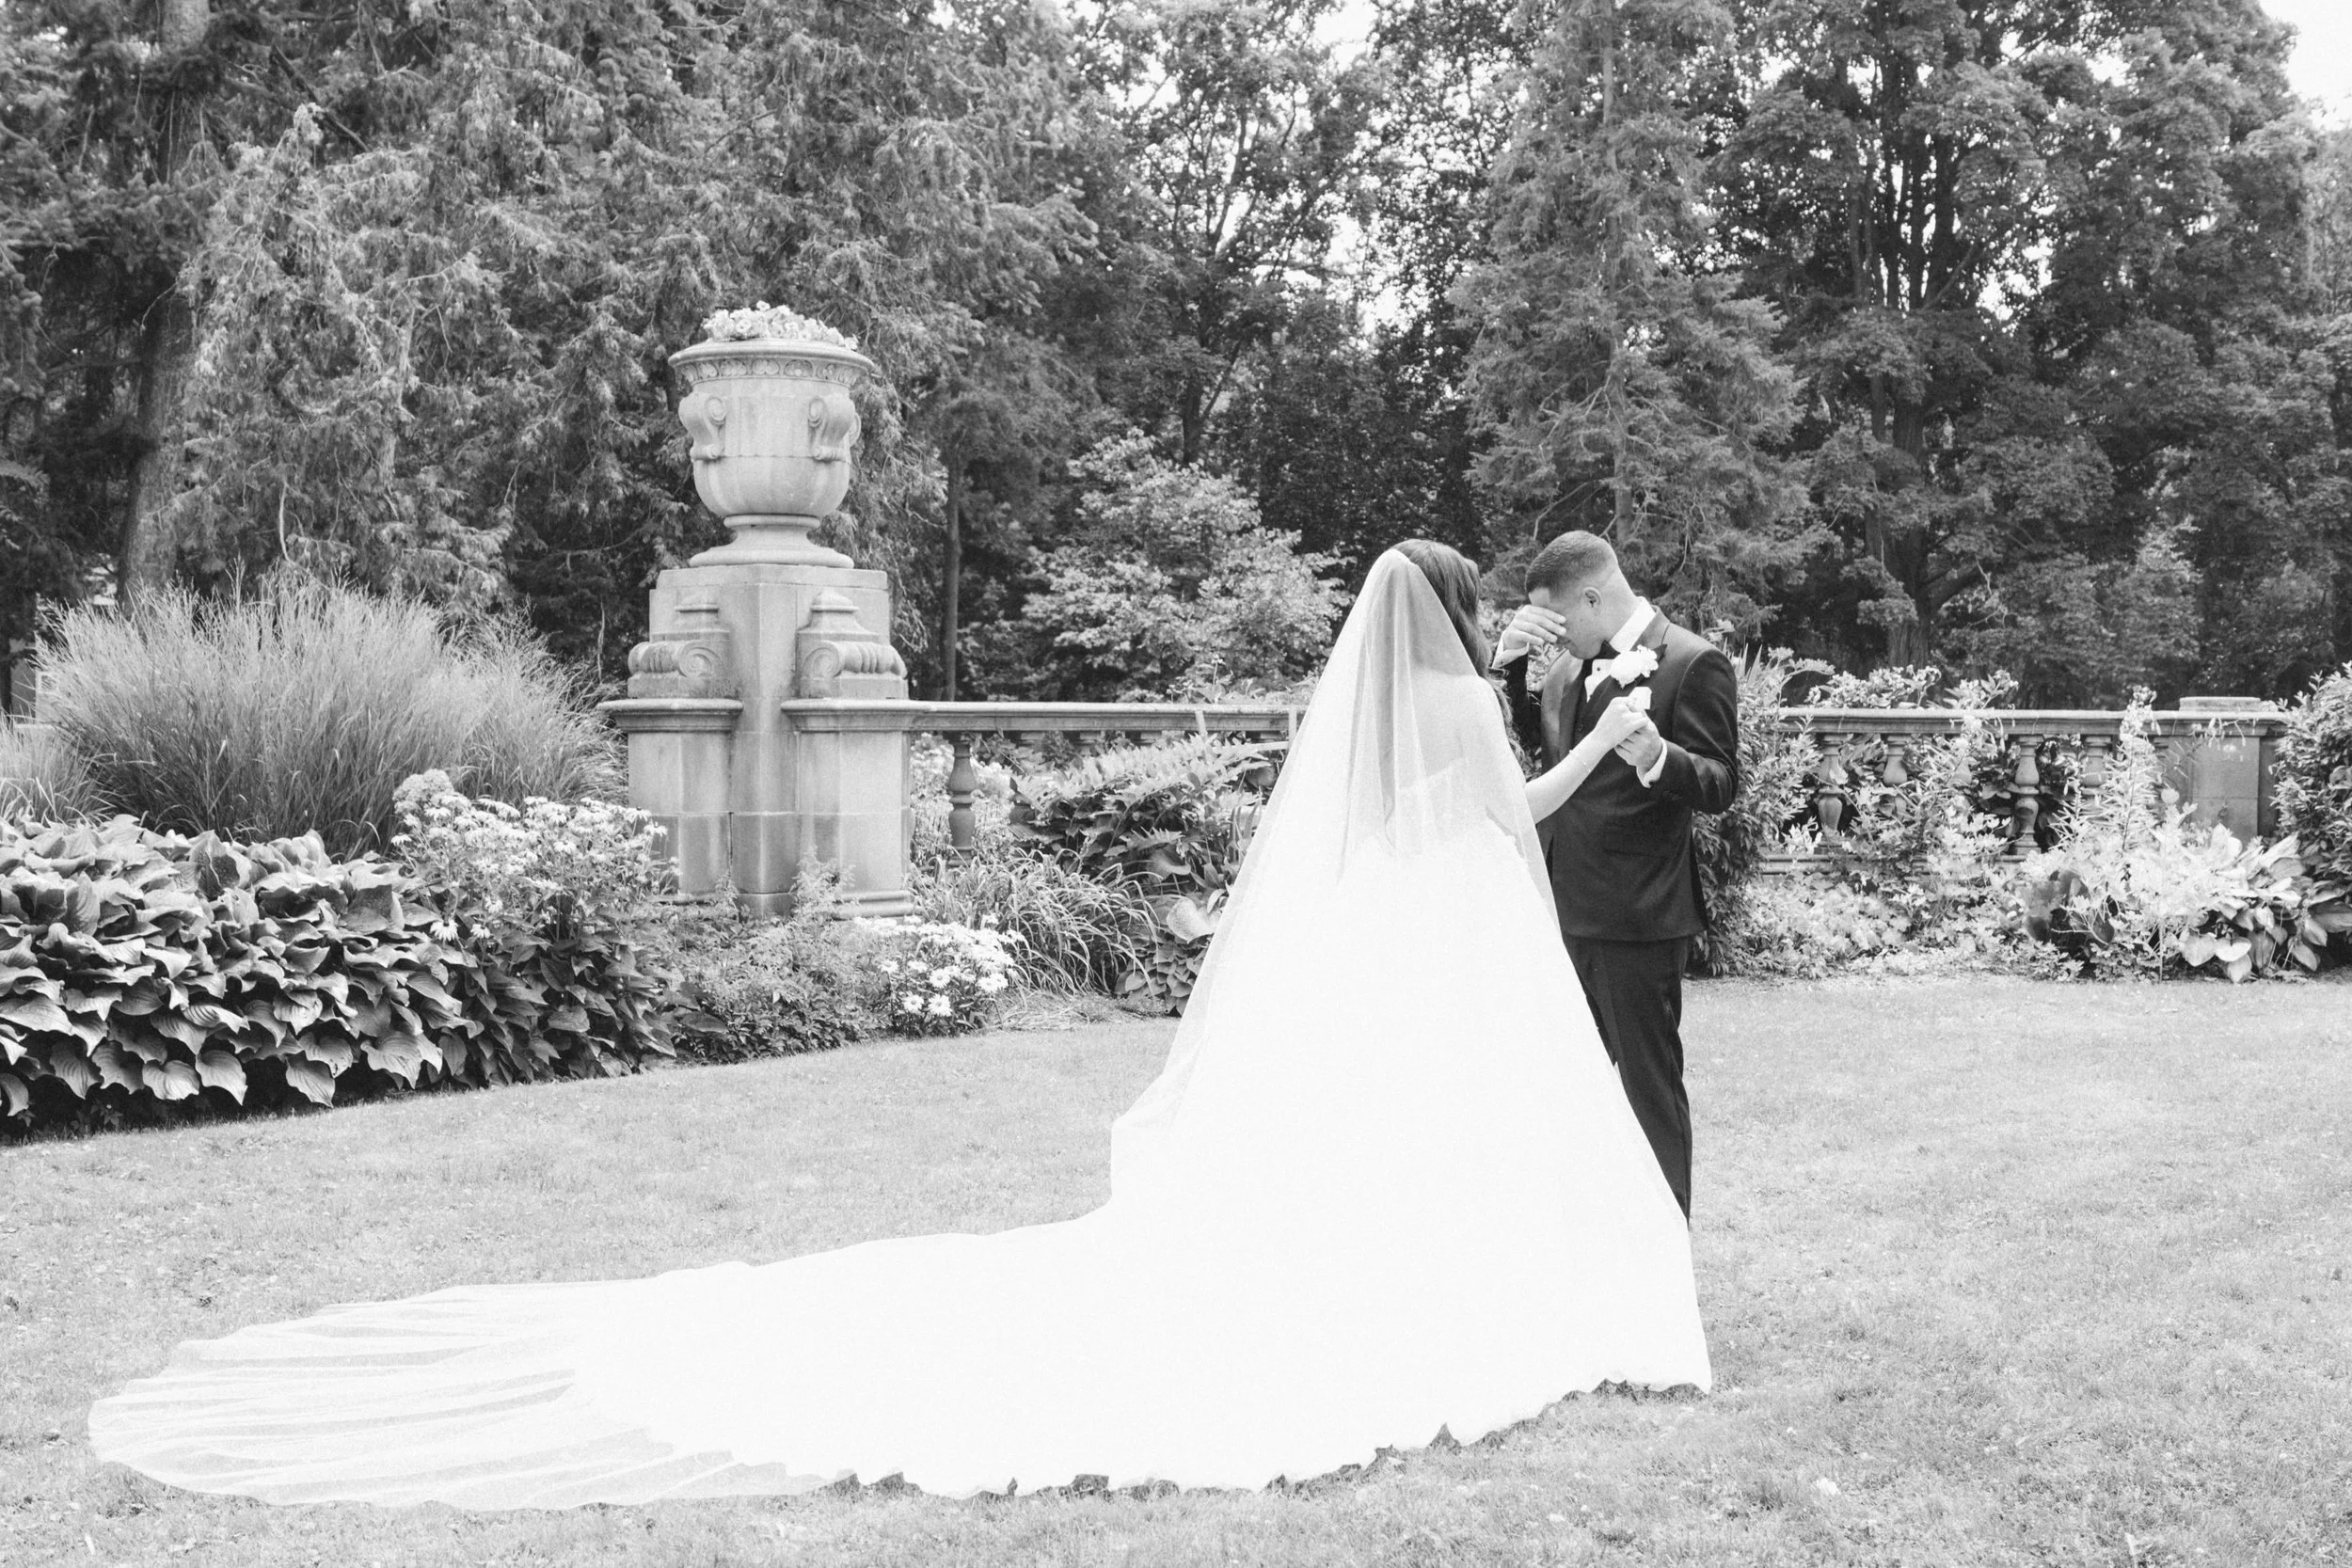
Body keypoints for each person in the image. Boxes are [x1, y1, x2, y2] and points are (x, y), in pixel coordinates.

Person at [87, 543, 1708, 1509]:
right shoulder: (1456, 701)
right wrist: (1600, 738)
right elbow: (1509, 814)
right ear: (1454, 615)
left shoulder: (1382, 710)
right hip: (1450, 932)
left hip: (1399, 934)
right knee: (1436, 1119)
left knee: (1390, 1125)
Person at [1489, 532, 1740, 1220]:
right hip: (1559, 906)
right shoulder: (1566, 670)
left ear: (1594, 598)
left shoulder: (1692, 661)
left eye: (1557, 616)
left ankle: (1666, 1239)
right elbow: (1539, 752)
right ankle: (1590, 1236)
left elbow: (1721, 781)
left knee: (1646, 1092)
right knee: (1567, 1088)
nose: (1553, 632)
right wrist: (1511, 663)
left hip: (1638, 916)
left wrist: (1661, 756)